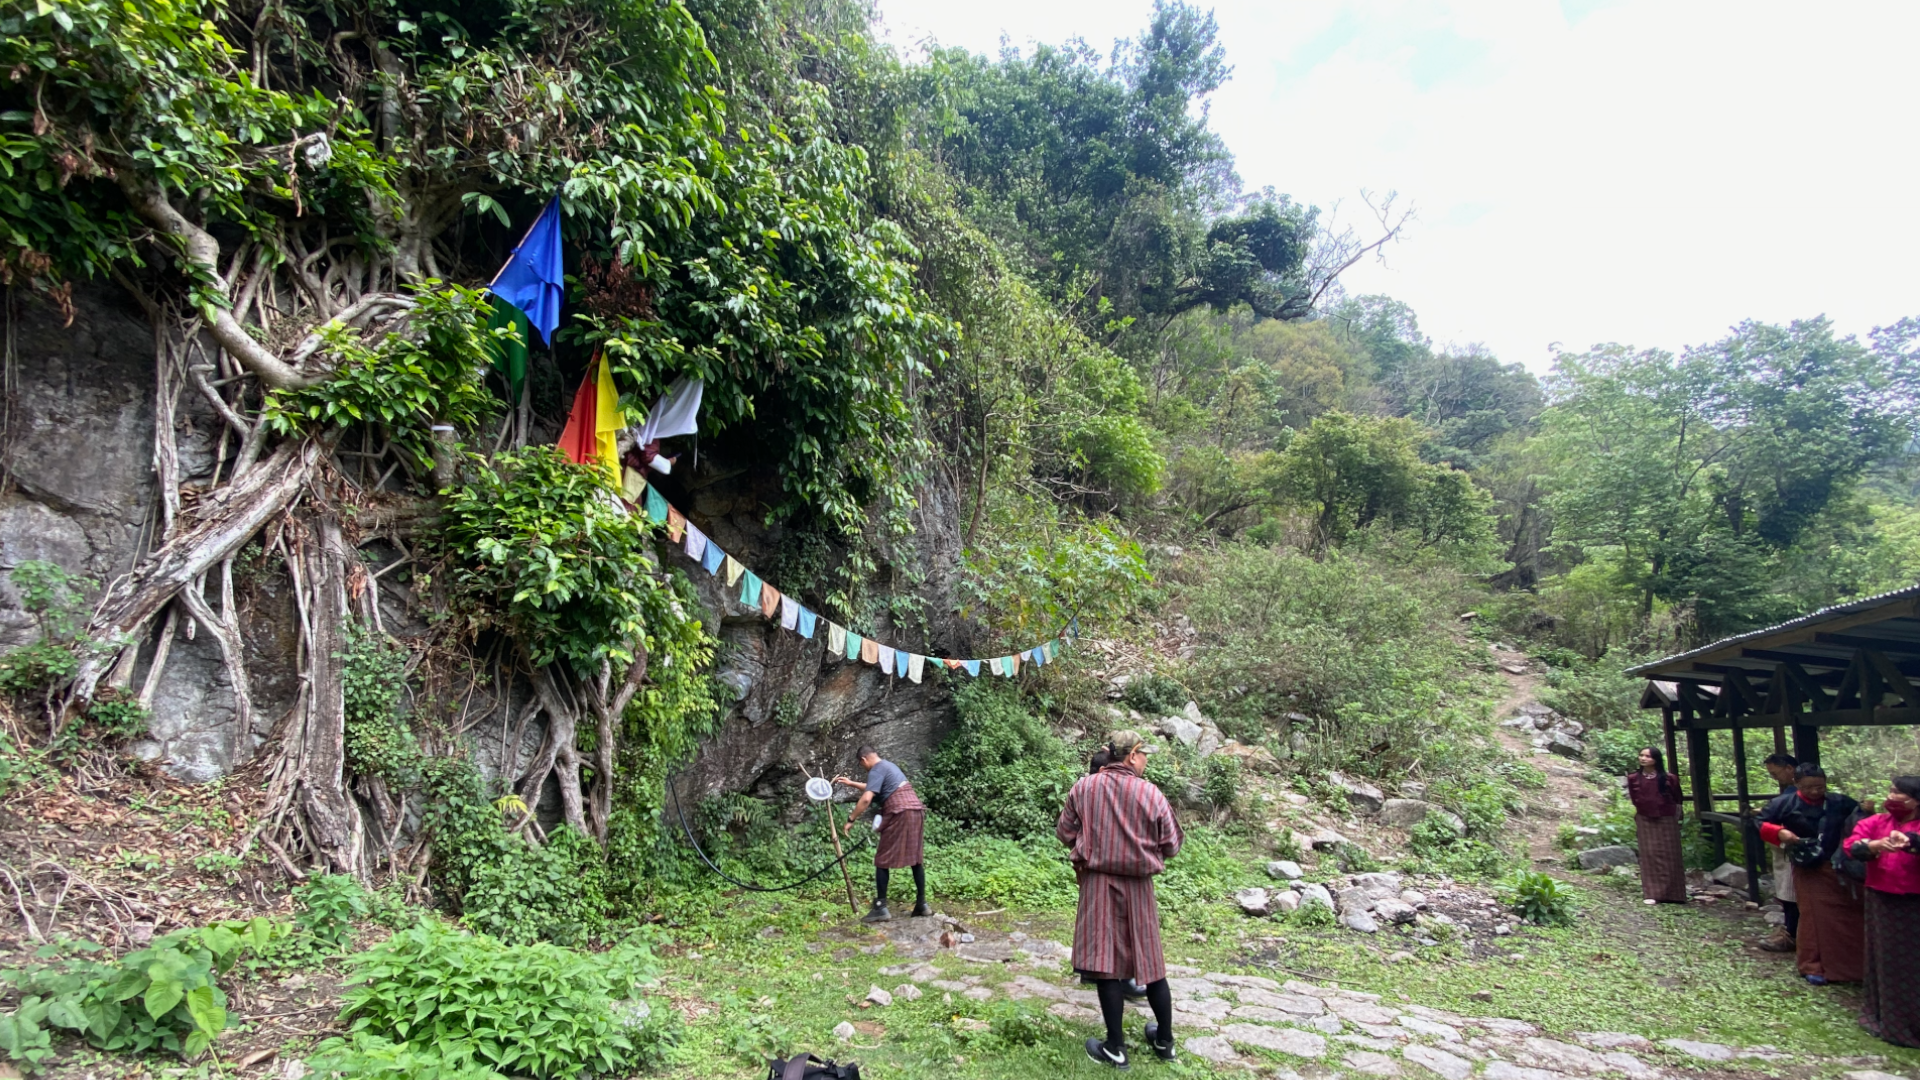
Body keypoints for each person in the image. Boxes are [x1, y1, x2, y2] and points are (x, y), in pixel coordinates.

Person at [1058, 730, 1182, 1069]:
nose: (1145, 762)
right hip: (1139, 887)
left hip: (1098, 884)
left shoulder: (1084, 788)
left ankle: (1116, 1046)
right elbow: (1171, 845)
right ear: (1130, 756)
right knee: (1152, 965)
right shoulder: (1151, 794)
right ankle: (1165, 1042)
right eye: (1144, 755)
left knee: (1106, 965)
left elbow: (1064, 832)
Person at [1760, 763, 1864, 984]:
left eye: (1820, 787)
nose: (1815, 792)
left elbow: (1861, 821)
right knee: (1813, 916)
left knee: (1848, 914)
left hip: (1839, 864)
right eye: (1809, 788)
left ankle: (1853, 965)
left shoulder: (1840, 802)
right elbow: (1759, 822)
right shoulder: (1784, 803)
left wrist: (1867, 811)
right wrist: (1781, 832)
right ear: (1797, 784)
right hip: (1808, 866)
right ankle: (1813, 964)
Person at [1845, 776, 1920, 1047]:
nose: (1893, 797)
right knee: (1887, 959)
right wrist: (1874, 846)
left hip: (1915, 900)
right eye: (1891, 791)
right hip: (1884, 901)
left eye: (1900, 794)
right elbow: (1851, 846)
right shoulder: (1876, 822)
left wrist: (1910, 841)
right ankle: (1890, 1020)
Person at [833, 745, 928, 923]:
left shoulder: (876, 769)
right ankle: (922, 904)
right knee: (916, 859)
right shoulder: (888, 766)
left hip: (899, 812)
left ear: (864, 760)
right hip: (916, 811)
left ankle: (880, 907)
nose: (865, 769)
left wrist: (851, 819)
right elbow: (875, 789)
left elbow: (867, 798)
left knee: (882, 859)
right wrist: (852, 783)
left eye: (863, 766)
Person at [1625, 747, 1686, 904]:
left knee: (1670, 854)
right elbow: (1634, 798)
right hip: (1645, 818)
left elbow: (1678, 798)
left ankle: (1675, 894)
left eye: (1648, 756)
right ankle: (1652, 893)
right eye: (1641, 755)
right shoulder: (1633, 778)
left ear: (1656, 760)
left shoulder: (1669, 778)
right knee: (1649, 854)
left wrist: (1678, 817)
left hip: (1667, 817)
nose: (1643, 758)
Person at [1758, 753, 1801, 952]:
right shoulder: (1787, 795)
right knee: (1787, 891)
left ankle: (1793, 933)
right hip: (1785, 846)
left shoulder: (1796, 795)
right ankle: (1791, 930)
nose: (1776, 779)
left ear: (1789, 769)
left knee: (1793, 892)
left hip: (1799, 848)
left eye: (1776, 774)